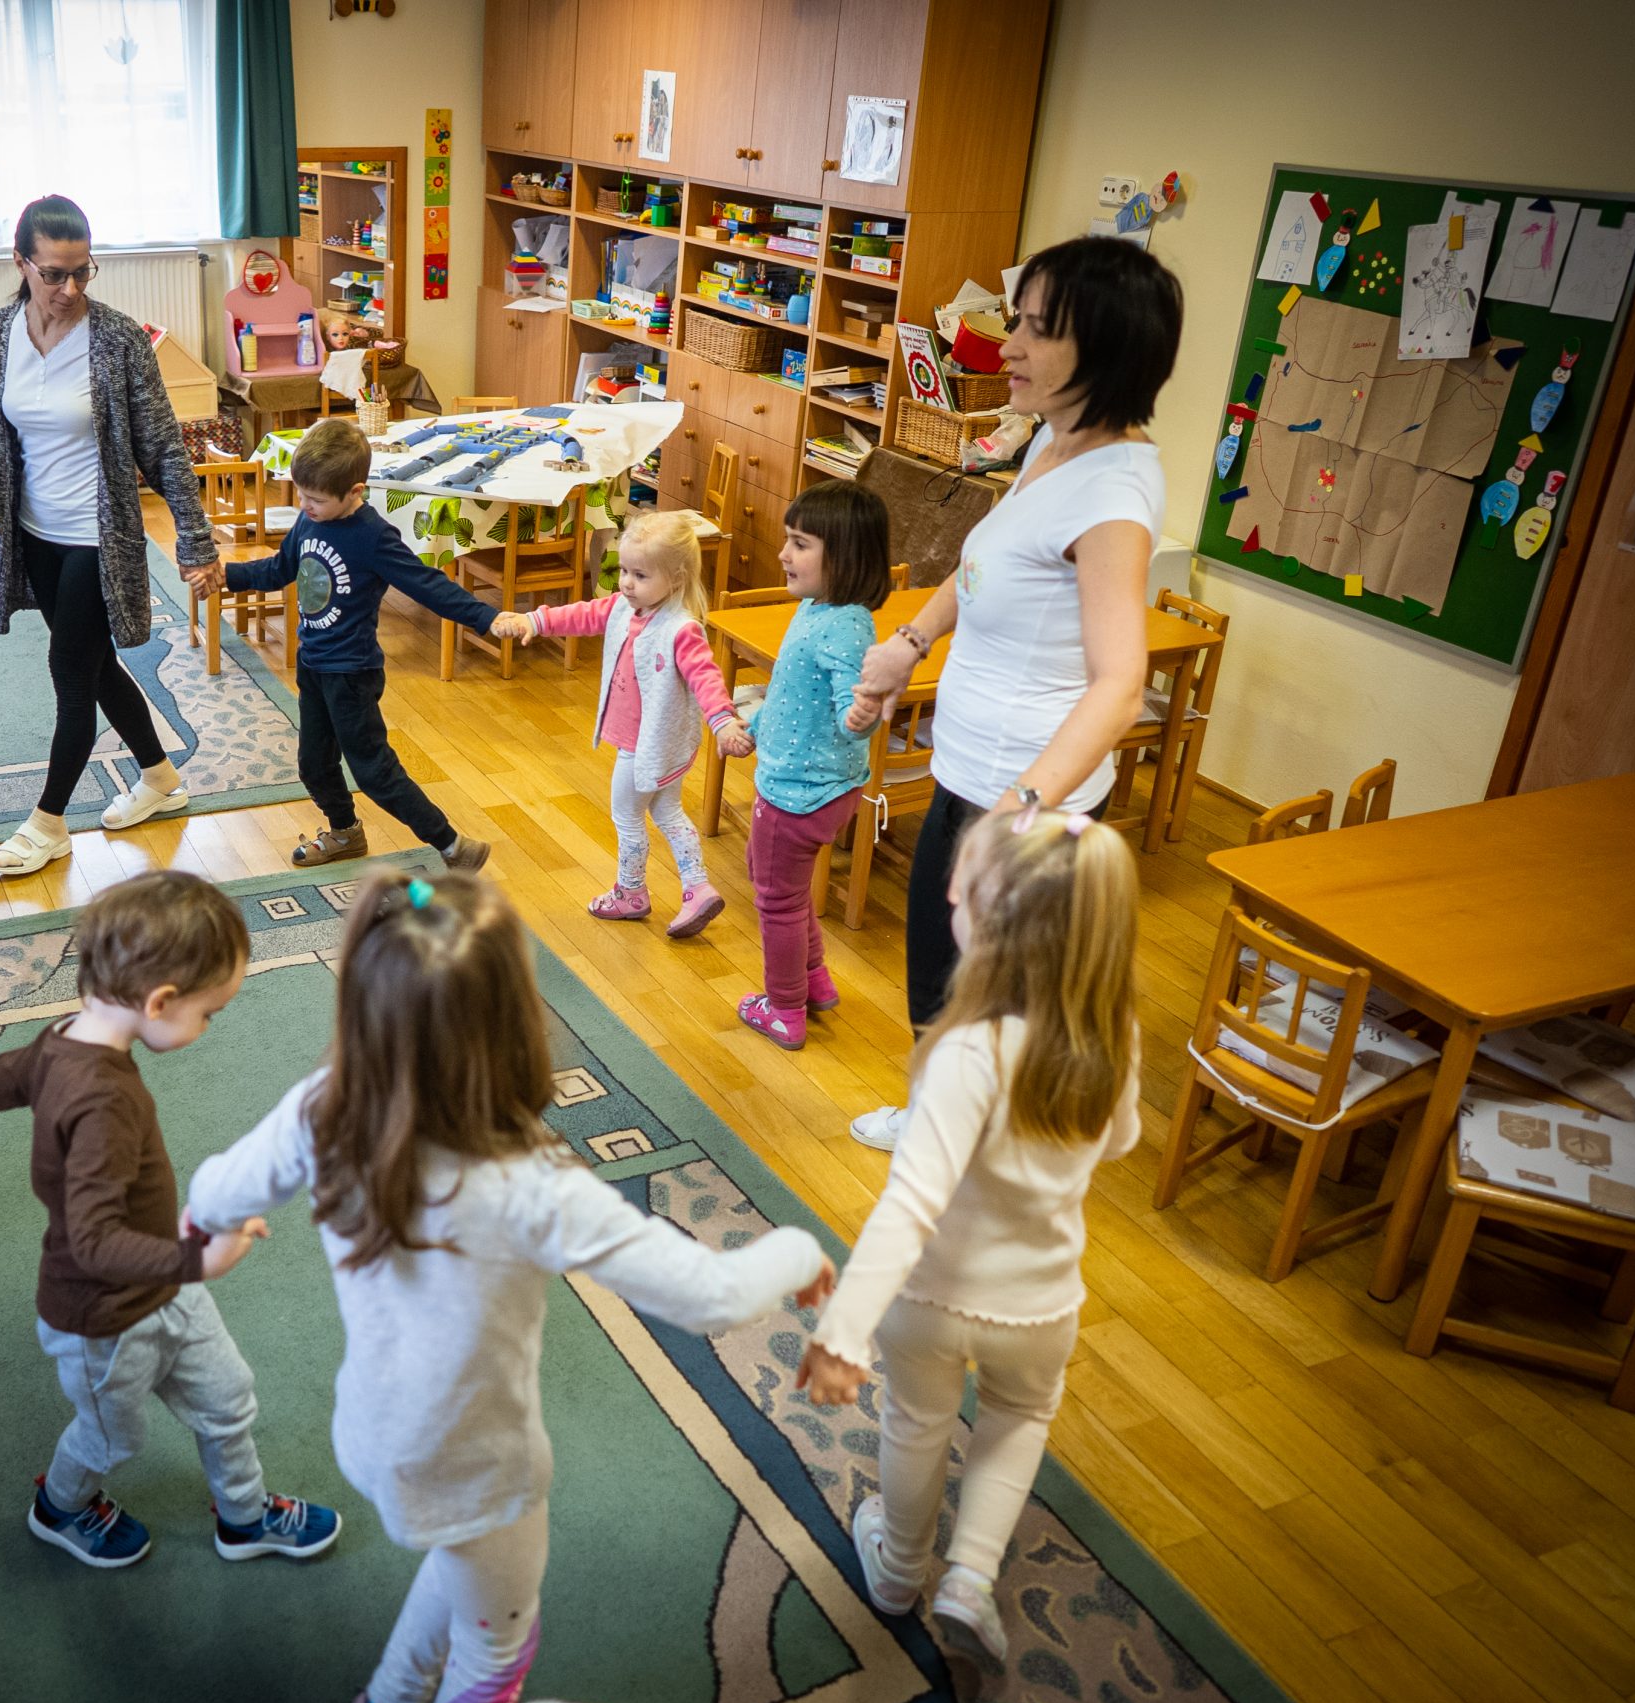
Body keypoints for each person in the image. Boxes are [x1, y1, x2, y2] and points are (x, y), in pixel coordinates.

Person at [185, 872, 833, 1703]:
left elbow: (213, 1195)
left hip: (373, 1437)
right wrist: (798, 1249)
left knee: (462, 1569)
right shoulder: (534, 1188)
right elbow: (713, 1298)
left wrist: (219, 1231)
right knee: (495, 1654)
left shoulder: (325, 1109)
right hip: (479, 1475)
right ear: (515, 1020)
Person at [0, 871, 342, 1569]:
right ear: (160, 1001)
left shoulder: (67, 1036)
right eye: (209, 1013)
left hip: (165, 1284)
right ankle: (61, 1507)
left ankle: (244, 1517)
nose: (208, 1027)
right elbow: (91, 1242)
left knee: (228, 1397)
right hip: (102, 1321)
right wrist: (199, 1260)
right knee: (112, 1439)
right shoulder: (102, 1100)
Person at [840, 235, 1177, 1150]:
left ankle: (973, 1154)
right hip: (970, 773)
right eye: (1015, 322)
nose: (1008, 347)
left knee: (987, 1000)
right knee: (936, 974)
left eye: (1035, 331)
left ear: (1104, 351)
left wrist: (1021, 811)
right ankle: (934, 1118)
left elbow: (1122, 684)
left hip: (1019, 800)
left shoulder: (1112, 498)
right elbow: (983, 563)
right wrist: (910, 642)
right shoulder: (1052, 445)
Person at [795, 808, 1142, 1678]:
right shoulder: (1114, 1038)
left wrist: (843, 1329)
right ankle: (970, 1580)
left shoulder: (969, 1052)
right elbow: (1123, 1140)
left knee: (917, 1421)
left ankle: (898, 1569)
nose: (947, 893)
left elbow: (909, 1206)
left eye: (963, 887)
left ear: (993, 927)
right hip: (1040, 1303)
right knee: (1019, 1418)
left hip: (932, 1298)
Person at [0, 195, 222, 877]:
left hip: (99, 535)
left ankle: (48, 823)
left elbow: (163, 447)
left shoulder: (117, 339)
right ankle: (160, 778)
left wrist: (195, 540)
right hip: (34, 536)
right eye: (54, 273)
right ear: (20, 262)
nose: (69, 288)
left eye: (82, 272)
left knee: (68, 670)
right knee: (94, 666)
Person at [209, 417, 496, 872]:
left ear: (354, 491)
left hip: (352, 673)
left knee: (373, 771)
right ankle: (345, 832)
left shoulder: (372, 537)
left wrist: (488, 617)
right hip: (313, 665)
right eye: (301, 494)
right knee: (313, 765)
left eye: (316, 499)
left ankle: (452, 846)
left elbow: (427, 585)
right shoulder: (309, 521)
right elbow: (280, 568)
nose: (305, 505)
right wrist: (228, 575)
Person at [489, 510, 749, 936]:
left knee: (627, 815)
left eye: (640, 575)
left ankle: (631, 893)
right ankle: (698, 887)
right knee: (667, 811)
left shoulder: (681, 629)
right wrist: (531, 620)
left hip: (648, 745)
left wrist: (722, 722)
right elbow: (582, 615)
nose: (627, 583)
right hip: (656, 745)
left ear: (676, 579)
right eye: (625, 570)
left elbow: (706, 677)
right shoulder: (623, 608)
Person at [733, 484, 896, 1050]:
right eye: (788, 539)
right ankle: (815, 981)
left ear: (844, 556)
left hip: (799, 792)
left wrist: (862, 716)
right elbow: (788, 689)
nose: (783, 553)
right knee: (782, 884)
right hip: (812, 784)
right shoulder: (817, 608)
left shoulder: (845, 625)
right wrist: (755, 726)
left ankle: (785, 1009)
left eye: (800, 544)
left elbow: (854, 712)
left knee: (776, 899)